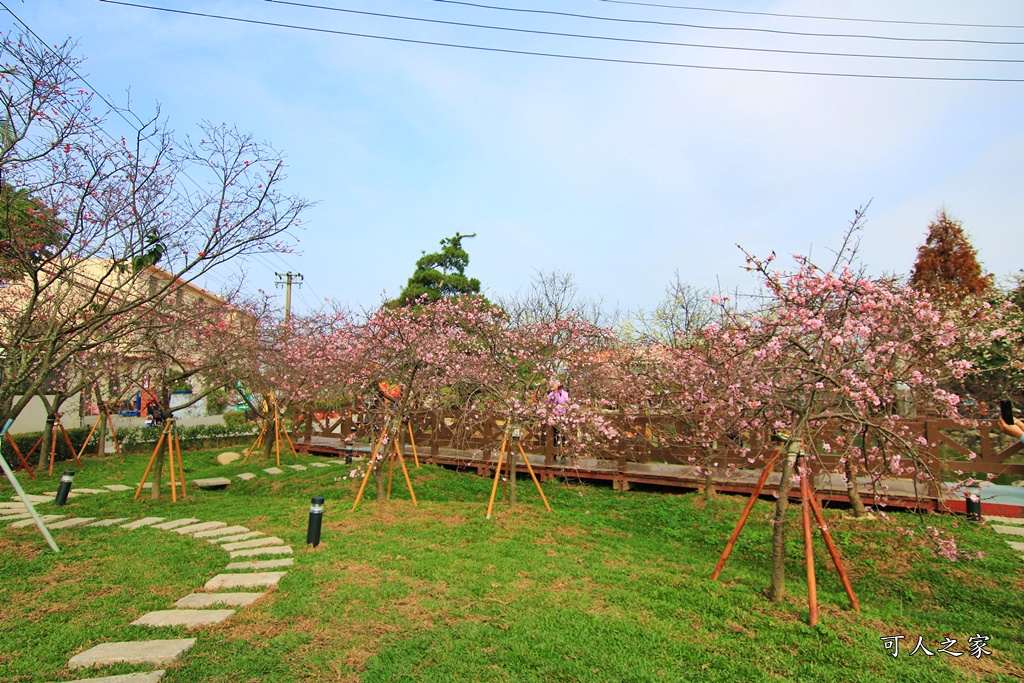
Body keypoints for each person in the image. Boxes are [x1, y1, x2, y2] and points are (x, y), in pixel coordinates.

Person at [546, 382, 569, 455]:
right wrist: (553, 394)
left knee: (562, 435)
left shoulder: (565, 393)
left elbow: (561, 402)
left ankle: (564, 454)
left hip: (562, 416)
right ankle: (554, 454)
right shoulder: (551, 393)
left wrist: (557, 394)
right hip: (554, 417)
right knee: (554, 435)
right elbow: (547, 401)